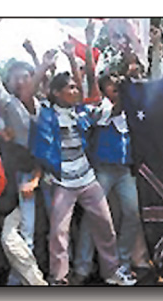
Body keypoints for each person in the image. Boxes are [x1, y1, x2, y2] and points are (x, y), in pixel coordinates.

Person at [0, 19, 54, 285]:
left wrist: (36, 58)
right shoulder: (9, 106)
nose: (20, 80)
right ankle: (19, 283)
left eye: (26, 75)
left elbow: (46, 83)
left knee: (51, 230)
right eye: (14, 76)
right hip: (21, 177)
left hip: (49, 176)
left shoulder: (45, 106)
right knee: (23, 231)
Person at [30, 71, 137, 286]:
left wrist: (127, 90)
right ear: (56, 93)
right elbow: (39, 144)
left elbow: (106, 108)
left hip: (87, 179)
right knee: (59, 232)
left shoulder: (82, 112)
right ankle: (59, 278)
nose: (75, 90)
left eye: (75, 87)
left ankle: (111, 271)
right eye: (70, 88)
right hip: (63, 183)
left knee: (105, 225)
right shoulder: (46, 114)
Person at [72, 20, 153, 284]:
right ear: (104, 90)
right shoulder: (102, 109)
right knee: (93, 218)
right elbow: (96, 83)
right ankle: (82, 268)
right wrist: (89, 39)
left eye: (118, 84)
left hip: (125, 172)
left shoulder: (132, 108)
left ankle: (122, 262)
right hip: (103, 172)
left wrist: (132, 52)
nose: (115, 86)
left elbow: (139, 78)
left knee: (133, 213)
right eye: (110, 84)